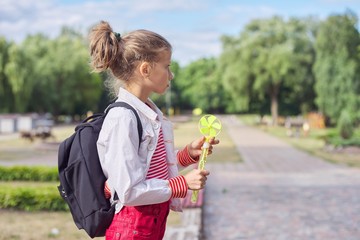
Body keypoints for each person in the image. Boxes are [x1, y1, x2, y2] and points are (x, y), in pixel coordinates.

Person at [89, 20, 219, 240]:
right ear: (146, 69)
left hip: (150, 227)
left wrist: (187, 155)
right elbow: (128, 190)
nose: (171, 75)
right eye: (167, 66)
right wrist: (182, 184)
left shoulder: (147, 112)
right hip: (130, 229)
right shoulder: (123, 118)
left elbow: (150, 169)